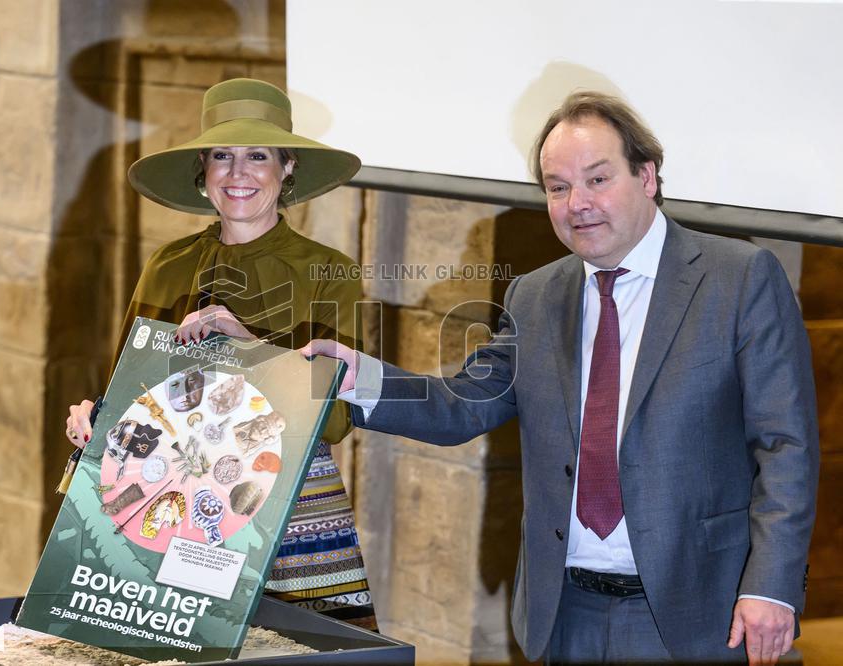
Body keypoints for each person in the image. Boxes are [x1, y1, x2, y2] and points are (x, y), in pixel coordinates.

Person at [303, 92, 818, 663]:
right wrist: (353, 377)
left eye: (598, 179)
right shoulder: (536, 294)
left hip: (699, 613)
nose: (578, 204)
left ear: (646, 176)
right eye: (557, 187)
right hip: (565, 612)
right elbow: (463, 404)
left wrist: (770, 585)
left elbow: (786, 446)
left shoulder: (739, 279)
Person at [65, 78, 377, 631]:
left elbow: (333, 419)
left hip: (282, 507)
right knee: (158, 642)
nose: (239, 174)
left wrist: (249, 348)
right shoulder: (168, 263)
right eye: (221, 157)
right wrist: (96, 416)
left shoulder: (330, 272)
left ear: (287, 170)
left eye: (258, 156)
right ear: (202, 173)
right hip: (166, 495)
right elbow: (132, 386)